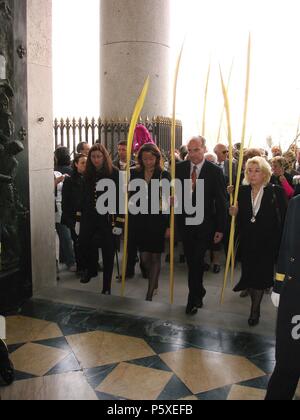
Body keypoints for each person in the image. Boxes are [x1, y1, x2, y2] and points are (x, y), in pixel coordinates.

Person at [230, 157, 287, 326]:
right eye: (249, 170)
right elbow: (239, 219)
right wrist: (234, 211)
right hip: (248, 241)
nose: (252, 174)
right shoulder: (241, 191)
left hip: (267, 243)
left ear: (265, 174)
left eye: (257, 171)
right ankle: (252, 297)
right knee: (250, 275)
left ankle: (255, 310)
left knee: (260, 278)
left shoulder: (275, 191)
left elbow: (283, 218)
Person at [176, 136, 227, 315]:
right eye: (189, 151)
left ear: (204, 149)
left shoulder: (214, 171)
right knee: (192, 262)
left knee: (197, 260)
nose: (192, 154)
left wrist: (221, 228)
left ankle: (193, 298)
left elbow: (221, 201)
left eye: (196, 150)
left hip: (205, 224)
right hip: (185, 224)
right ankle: (199, 291)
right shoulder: (180, 168)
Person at [266, 195, 300, 400]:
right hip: (297, 291)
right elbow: (287, 245)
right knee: (289, 360)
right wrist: (279, 285)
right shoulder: (298, 203)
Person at [130, 144, 171, 301]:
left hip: (157, 220)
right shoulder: (134, 173)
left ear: (157, 158)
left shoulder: (164, 175)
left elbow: (167, 202)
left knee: (155, 257)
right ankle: (153, 281)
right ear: (140, 159)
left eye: (151, 159)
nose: (148, 162)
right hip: (139, 219)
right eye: (145, 159)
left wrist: (168, 225)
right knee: (145, 258)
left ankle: (150, 292)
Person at [78, 144, 121, 294]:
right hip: (90, 217)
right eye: (93, 157)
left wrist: (120, 221)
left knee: (108, 252)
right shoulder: (87, 173)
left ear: (104, 157)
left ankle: (106, 286)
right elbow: (84, 197)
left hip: (107, 218)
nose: (96, 160)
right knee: (85, 244)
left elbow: (120, 198)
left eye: (99, 156)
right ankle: (91, 270)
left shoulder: (114, 173)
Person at [61, 154, 87, 273]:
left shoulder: (89, 178)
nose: (85, 165)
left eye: (86, 163)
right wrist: (68, 219)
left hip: (87, 215)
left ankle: (90, 264)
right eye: (82, 163)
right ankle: (80, 266)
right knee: (77, 242)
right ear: (76, 164)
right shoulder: (70, 180)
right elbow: (65, 201)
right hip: (74, 216)